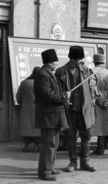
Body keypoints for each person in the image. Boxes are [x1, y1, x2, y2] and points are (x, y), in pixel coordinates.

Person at [55, 46, 96, 173]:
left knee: (86, 136)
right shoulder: (60, 72)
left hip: (84, 110)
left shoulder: (85, 70)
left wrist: (92, 99)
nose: (80, 61)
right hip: (69, 110)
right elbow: (56, 91)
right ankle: (73, 162)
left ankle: (85, 162)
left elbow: (92, 87)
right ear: (72, 59)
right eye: (78, 59)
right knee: (71, 137)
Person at [34, 49, 70, 181]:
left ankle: (50, 167)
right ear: (49, 63)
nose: (57, 64)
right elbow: (46, 93)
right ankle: (45, 172)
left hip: (53, 115)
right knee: (49, 144)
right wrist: (64, 96)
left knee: (54, 144)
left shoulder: (48, 73)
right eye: (55, 62)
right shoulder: (43, 74)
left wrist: (63, 95)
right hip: (48, 115)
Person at [91, 54, 108, 155]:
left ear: (94, 62)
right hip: (107, 101)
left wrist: (99, 99)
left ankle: (89, 147)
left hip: (95, 102)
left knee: (93, 124)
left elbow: (92, 88)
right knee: (103, 125)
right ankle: (101, 146)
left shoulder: (91, 72)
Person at [16, 66, 41, 153]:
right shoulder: (40, 83)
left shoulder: (24, 83)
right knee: (37, 127)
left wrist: (22, 103)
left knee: (26, 126)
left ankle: (26, 146)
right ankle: (37, 146)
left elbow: (18, 96)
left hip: (26, 109)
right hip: (38, 108)